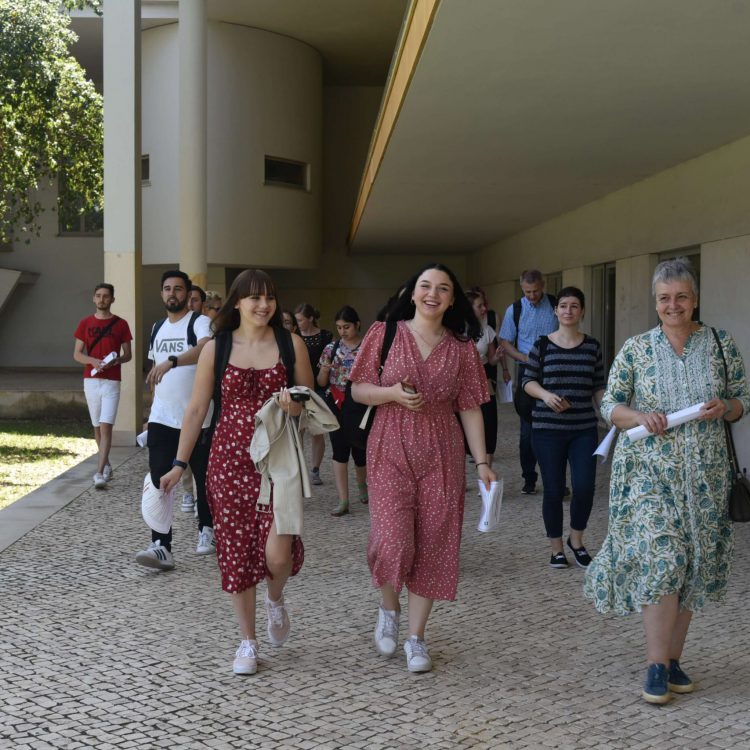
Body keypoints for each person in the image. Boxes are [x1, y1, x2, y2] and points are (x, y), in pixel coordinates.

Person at [583, 257, 749, 704]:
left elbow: (742, 399)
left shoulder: (718, 343)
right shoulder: (636, 348)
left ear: (695, 299)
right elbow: (610, 404)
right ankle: (656, 664)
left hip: (706, 476)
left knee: (692, 564)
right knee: (664, 557)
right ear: (654, 303)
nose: (672, 305)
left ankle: (673, 661)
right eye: (664, 298)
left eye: (680, 297)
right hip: (648, 474)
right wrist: (639, 415)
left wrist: (725, 407)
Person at [159, 269, 314, 676]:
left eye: (270, 298)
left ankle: (275, 599)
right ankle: (247, 641)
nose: (263, 305)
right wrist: (179, 464)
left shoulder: (290, 342)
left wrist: (295, 407)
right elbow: (196, 410)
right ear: (238, 302)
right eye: (254, 298)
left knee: (277, 554)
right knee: (236, 553)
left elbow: (308, 399)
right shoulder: (217, 346)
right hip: (228, 461)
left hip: (278, 458)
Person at [350, 263, 496, 673]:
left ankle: (416, 638)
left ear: (452, 300)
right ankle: (388, 608)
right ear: (412, 293)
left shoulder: (463, 348)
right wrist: (391, 393)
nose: (433, 294)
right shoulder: (385, 333)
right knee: (392, 538)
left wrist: (481, 462)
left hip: (442, 452)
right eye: (425, 286)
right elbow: (358, 388)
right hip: (389, 446)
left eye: (443, 288)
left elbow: (469, 406)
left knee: (435, 542)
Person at [134, 270, 215, 570]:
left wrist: (174, 360)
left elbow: (207, 348)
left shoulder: (198, 322)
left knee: (204, 477)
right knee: (159, 479)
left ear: (187, 293)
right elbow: (157, 375)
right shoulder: (156, 327)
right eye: (167, 288)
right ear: (161, 293)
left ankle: (207, 529)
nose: (173, 294)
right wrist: (150, 414)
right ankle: (160, 545)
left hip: (197, 418)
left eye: (178, 289)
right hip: (162, 417)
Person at [521, 287, 605, 568]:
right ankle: (556, 547)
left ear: (582, 311)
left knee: (584, 487)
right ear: (555, 311)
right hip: (547, 429)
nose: (568, 311)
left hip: (583, 428)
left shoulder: (592, 346)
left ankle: (577, 540)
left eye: (574, 306)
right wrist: (545, 395)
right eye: (563, 306)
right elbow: (528, 381)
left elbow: (598, 386)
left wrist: (609, 411)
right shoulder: (542, 345)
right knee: (554, 490)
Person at [499, 269, 558, 495]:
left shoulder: (554, 305)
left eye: (535, 291)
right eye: (527, 292)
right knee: (527, 430)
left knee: (554, 428)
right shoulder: (515, 309)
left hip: (553, 369)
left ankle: (555, 480)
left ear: (542, 286)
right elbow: (504, 341)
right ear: (522, 288)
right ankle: (529, 478)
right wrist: (523, 357)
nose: (532, 295)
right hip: (527, 370)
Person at [73, 283, 133, 489]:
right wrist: (93, 361)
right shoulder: (85, 323)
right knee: (97, 427)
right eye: (98, 296)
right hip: (91, 379)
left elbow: (128, 354)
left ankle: (99, 473)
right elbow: (77, 354)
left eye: (106, 296)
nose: (101, 299)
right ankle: (106, 464)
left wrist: (116, 360)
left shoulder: (121, 324)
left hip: (112, 380)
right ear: (93, 298)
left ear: (112, 299)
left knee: (107, 425)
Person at [317, 305, 367, 516]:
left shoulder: (367, 347)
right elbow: (320, 382)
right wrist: (326, 371)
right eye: (339, 327)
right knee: (339, 450)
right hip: (335, 403)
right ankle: (343, 499)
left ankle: (362, 486)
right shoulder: (331, 348)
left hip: (359, 402)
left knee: (360, 449)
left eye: (346, 327)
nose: (343, 331)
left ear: (357, 325)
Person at [465, 289, 506, 470]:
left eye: (484, 305)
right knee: (460, 429)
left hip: (482, 378)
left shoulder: (486, 329)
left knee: (489, 424)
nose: (484, 309)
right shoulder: (454, 328)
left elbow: (490, 360)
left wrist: (497, 357)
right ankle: (461, 476)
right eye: (479, 305)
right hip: (460, 381)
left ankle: (486, 474)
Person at [294, 303, 333, 485]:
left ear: (310, 318)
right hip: (298, 388)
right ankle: (297, 468)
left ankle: (315, 469)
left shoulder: (325, 336)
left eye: (300, 319)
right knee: (297, 430)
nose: (298, 323)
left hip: (318, 388)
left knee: (317, 430)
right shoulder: (295, 337)